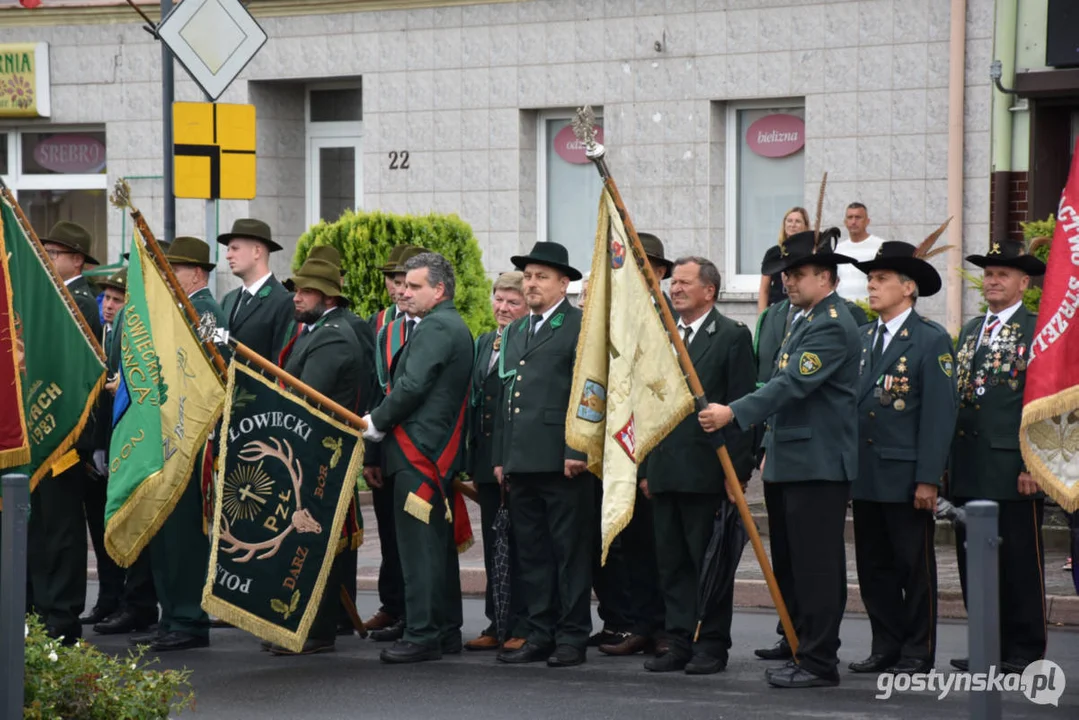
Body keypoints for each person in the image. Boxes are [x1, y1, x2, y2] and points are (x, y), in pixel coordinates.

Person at [699, 227, 861, 688]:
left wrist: (733, 412)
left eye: (798, 274)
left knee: (816, 566)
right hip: (793, 460)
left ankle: (819, 660)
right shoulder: (802, 318)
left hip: (819, 464)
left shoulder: (831, 322)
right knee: (794, 563)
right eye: (785, 275)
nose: (788, 282)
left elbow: (791, 385)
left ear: (826, 276)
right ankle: (801, 644)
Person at [640, 257, 755, 675]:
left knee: (709, 563)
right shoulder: (663, 337)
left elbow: (742, 407)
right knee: (671, 565)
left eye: (686, 282)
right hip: (666, 470)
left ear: (710, 290)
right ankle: (678, 640)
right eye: (674, 282)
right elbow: (648, 408)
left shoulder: (730, 336)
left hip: (707, 473)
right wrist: (647, 469)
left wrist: (736, 473)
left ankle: (711, 643)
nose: (676, 288)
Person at [847, 238, 957, 675]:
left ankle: (917, 650)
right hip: (866, 473)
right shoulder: (861, 338)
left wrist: (929, 478)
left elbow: (938, 416)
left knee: (913, 567)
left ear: (908, 288)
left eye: (881, 279)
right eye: (870, 279)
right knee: (873, 568)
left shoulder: (930, 340)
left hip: (905, 474)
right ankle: (885, 645)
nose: (871, 287)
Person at [362, 252, 474, 664]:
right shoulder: (446, 325)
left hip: (418, 454)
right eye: (404, 285)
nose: (404, 292)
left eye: (414, 286)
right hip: (427, 452)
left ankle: (424, 633)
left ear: (439, 290)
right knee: (434, 548)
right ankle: (443, 630)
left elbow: (410, 387)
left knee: (419, 549)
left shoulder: (436, 327)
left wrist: (375, 422)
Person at [948, 237, 1048, 674]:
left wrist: (1034, 464)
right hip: (969, 466)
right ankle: (987, 646)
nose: (992, 281)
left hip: (1012, 468)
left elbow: (1046, 399)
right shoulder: (971, 330)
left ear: (1024, 282)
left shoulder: (1037, 327)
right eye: (988, 274)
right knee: (976, 564)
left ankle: (1024, 651)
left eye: (1002, 274)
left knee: (1019, 564)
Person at [492, 242, 593, 668]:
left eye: (541, 277)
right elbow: (506, 396)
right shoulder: (516, 330)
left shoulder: (579, 326)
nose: (531, 284)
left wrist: (578, 448)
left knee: (569, 552)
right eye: (528, 276)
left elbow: (591, 391)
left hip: (560, 459)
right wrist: (501, 456)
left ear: (564, 283)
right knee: (531, 552)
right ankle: (540, 631)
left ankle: (572, 635)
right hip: (522, 459)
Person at [125, 237, 227, 652]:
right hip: (172, 434)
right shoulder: (182, 310)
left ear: (197, 274)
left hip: (191, 436)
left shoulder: (204, 311)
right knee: (166, 531)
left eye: (176, 270)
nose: (169, 277)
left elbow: (214, 366)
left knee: (184, 534)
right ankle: (174, 615)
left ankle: (188, 617)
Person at [267, 244, 364, 655]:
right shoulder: (321, 330)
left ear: (327, 297)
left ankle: (317, 628)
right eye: (296, 289)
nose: (297, 296)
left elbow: (307, 398)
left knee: (313, 541)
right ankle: (308, 624)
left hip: (318, 456)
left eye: (305, 291)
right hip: (307, 454)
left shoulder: (334, 338)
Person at [595, 232, 671, 657]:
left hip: (655, 453)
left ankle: (666, 629)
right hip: (618, 450)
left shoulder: (668, 323)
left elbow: (666, 401)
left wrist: (650, 466)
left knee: (661, 549)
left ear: (659, 273)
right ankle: (639, 624)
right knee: (632, 546)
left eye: (642, 268)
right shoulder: (614, 320)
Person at [30, 221, 106, 645]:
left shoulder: (77, 300)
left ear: (77, 259)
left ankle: (61, 614)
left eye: (55, 253)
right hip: (50, 432)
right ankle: (46, 608)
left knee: (60, 530)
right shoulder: (56, 297)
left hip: (67, 434)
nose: (48, 259)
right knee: (41, 527)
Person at [363, 244, 430, 642]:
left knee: (415, 537)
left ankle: (415, 614)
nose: (397, 287)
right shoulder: (382, 325)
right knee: (388, 532)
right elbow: (376, 389)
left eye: (404, 280)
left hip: (417, 448)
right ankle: (393, 606)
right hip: (385, 444)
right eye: (392, 279)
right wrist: (371, 452)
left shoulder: (433, 325)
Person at [89, 268, 158, 638]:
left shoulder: (133, 332)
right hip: (111, 439)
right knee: (109, 522)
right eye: (108, 299)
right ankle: (113, 598)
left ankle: (138, 603)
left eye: (118, 300)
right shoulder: (109, 331)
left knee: (134, 522)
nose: (110, 306)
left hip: (134, 439)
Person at [464, 271, 530, 651]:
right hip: (486, 460)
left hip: (517, 459)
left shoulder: (527, 342)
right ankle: (497, 621)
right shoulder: (485, 341)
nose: (503, 308)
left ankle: (522, 622)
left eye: (512, 302)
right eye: (499, 300)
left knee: (522, 545)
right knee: (494, 544)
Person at [218, 219, 294, 361]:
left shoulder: (283, 301)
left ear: (257, 252)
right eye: (228, 250)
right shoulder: (229, 299)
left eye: (235, 248)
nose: (228, 255)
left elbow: (281, 362)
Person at [758, 208, 810, 313]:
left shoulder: (811, 252)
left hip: (804, 309)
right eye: (789, 220)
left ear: (805, 226)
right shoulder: (773, 253)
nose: (792, 224)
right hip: (778, 309)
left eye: (798, 221)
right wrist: (761, 318)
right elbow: (764, 290)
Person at [834, 203, 885, 303]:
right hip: (843, 309)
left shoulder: (880, 246)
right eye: (850, 217)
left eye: (858, 217)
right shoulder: (837, 249)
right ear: (845, 222)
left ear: (867, 221)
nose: (853, 222)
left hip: (871, 309)